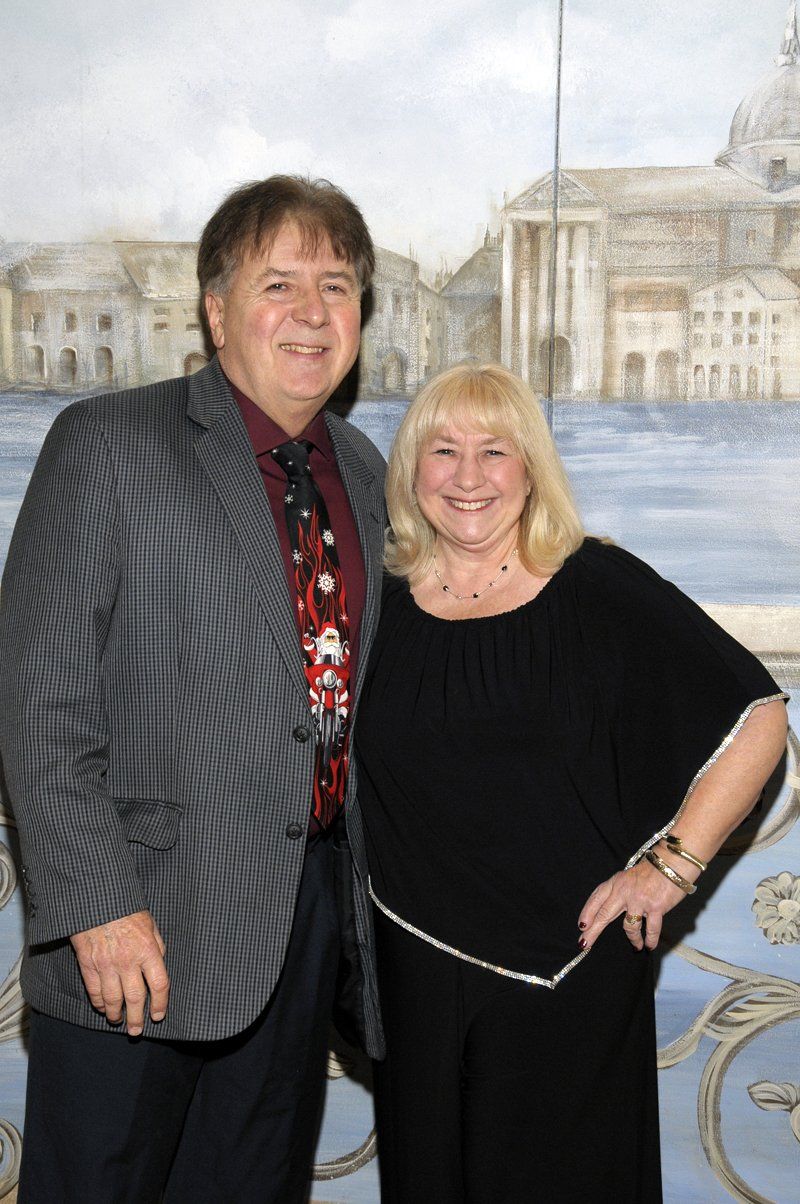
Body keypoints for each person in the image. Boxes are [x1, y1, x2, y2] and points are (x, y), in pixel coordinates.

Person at [0, 175, 387, 1203]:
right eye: (279, 283)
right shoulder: (108, 444)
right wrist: (96, 903)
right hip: (137, 936)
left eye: (337, 285)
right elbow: (39, 698)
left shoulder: (364, 471)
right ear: (216, 310)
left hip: (299, 936)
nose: (312, 312)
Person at [352, 362, 789, 1203]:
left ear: (531, 469)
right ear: (411, 469)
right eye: (444, 451)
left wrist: (671, 867)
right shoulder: (378, 604)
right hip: (414, 973)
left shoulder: (596, 583)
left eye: (496, 451)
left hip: (570, 974)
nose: (470, 476)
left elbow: (758, 716)